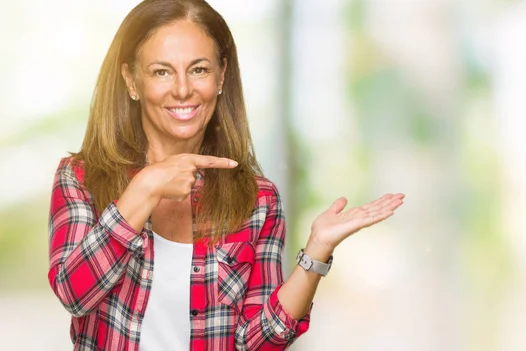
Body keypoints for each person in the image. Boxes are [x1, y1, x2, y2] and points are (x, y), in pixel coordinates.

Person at [47, 0, 405, 350]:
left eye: (199, 69)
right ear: (131, 80)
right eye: (162, 71)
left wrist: (317, 252)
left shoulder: (258, 199)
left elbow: (258, 341)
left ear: (221, 75)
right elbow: (74, 294)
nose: (183, 89)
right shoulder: (80, 178)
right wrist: (146, 187)